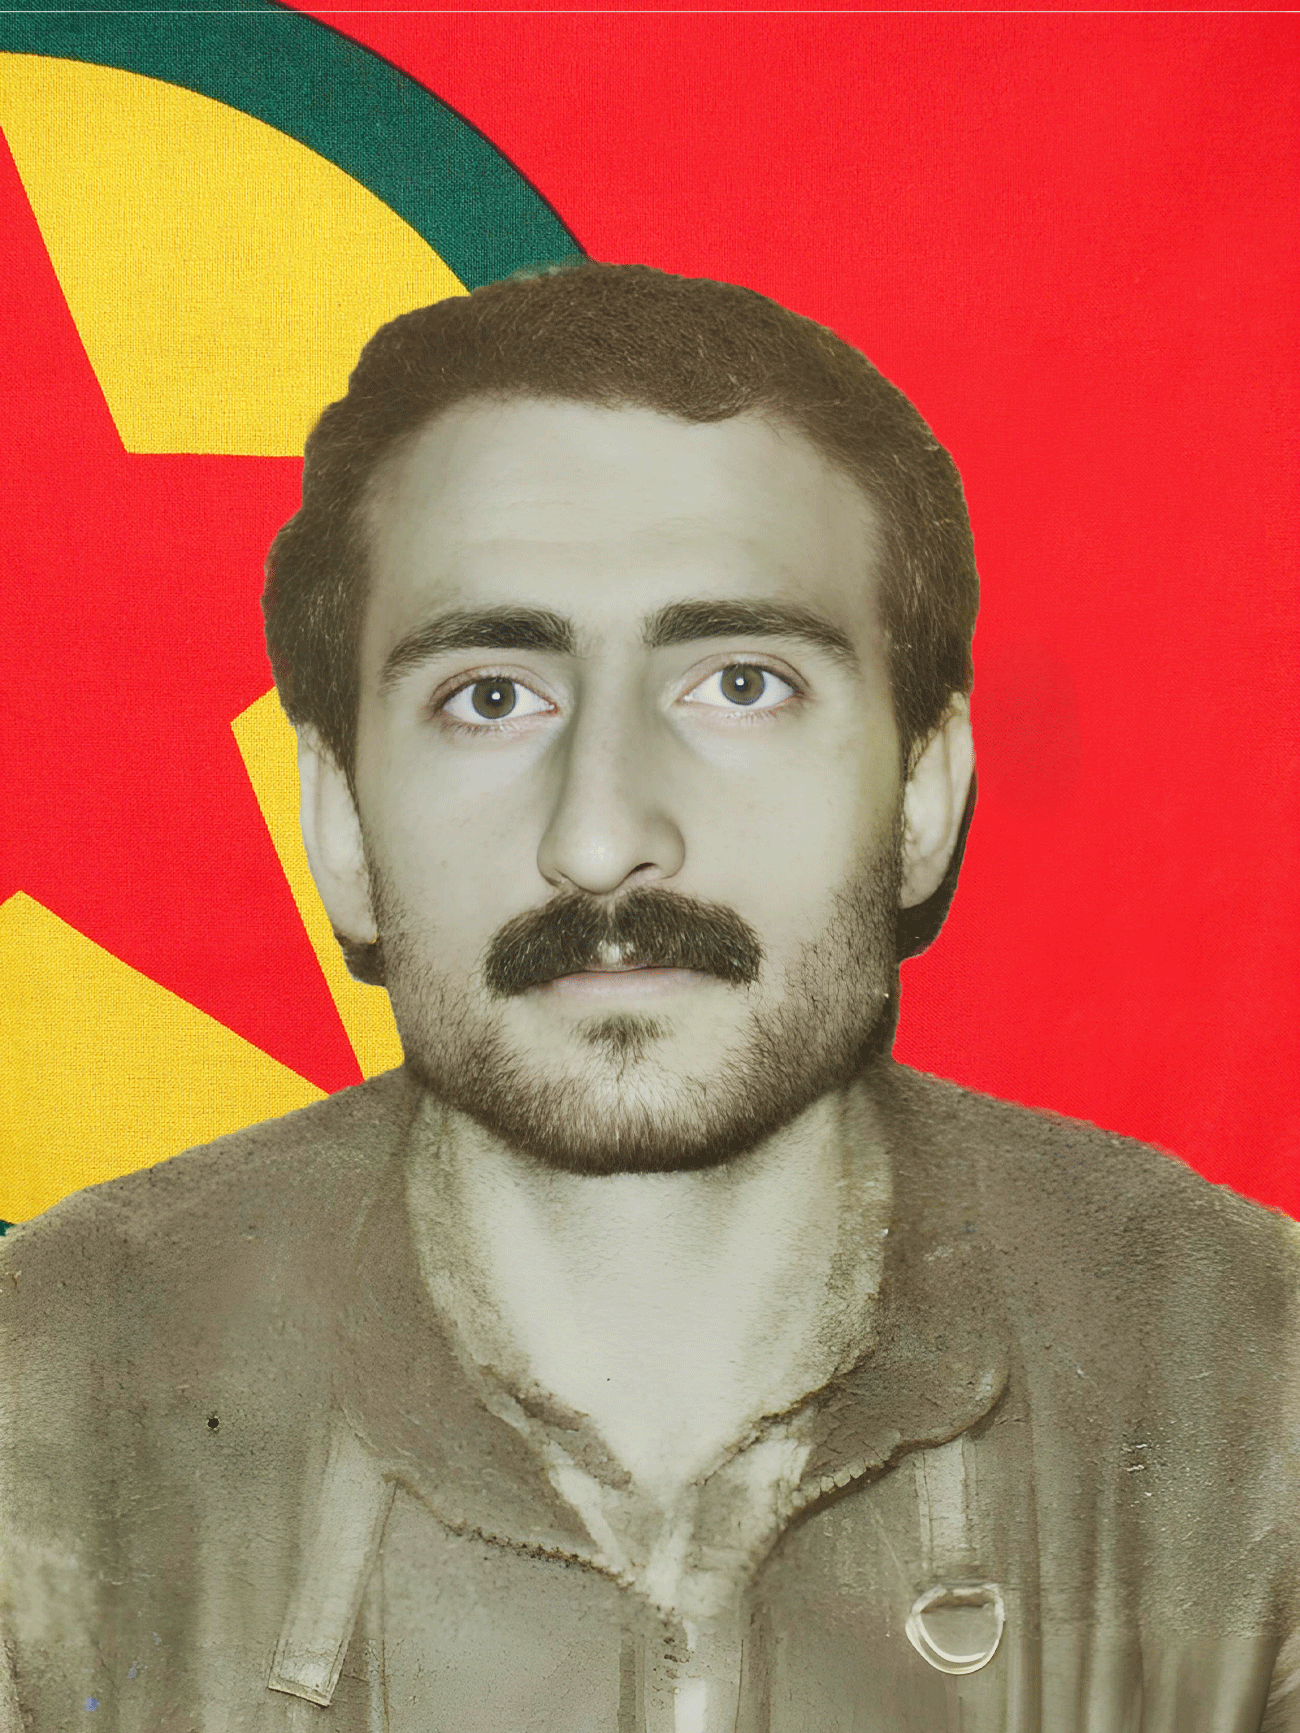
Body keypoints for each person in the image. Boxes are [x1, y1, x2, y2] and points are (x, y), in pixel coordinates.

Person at [1, 263, 1297, 1732]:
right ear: (342, 822)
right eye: (492, 696)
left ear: (926, 794)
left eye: (739, 683)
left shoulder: (1255, 1387)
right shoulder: (41, 1406)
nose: (603, 834)